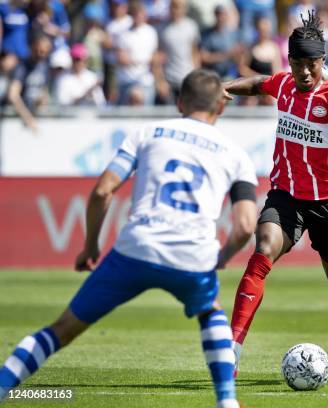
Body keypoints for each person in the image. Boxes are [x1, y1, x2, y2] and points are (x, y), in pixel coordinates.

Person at [0, 69, 258, 408]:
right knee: (210, 314)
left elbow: (103, 191)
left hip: (136, 247)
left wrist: (91, 245)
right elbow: (244, 225)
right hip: (192, 254)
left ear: (179, 102)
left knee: (62, 328)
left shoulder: (148, 132)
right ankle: (226, 401)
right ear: (220, 109)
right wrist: (222, 257)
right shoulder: (236, 154)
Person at [223, 11, 328, 375]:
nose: (304, 72)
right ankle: (232, 351)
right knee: (261, 252)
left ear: (323, 61)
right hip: (285, 195)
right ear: (289, 60)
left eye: (312, 64)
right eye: (297, 63)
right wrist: (223, 89)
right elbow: (259, 83)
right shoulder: (284, 84)